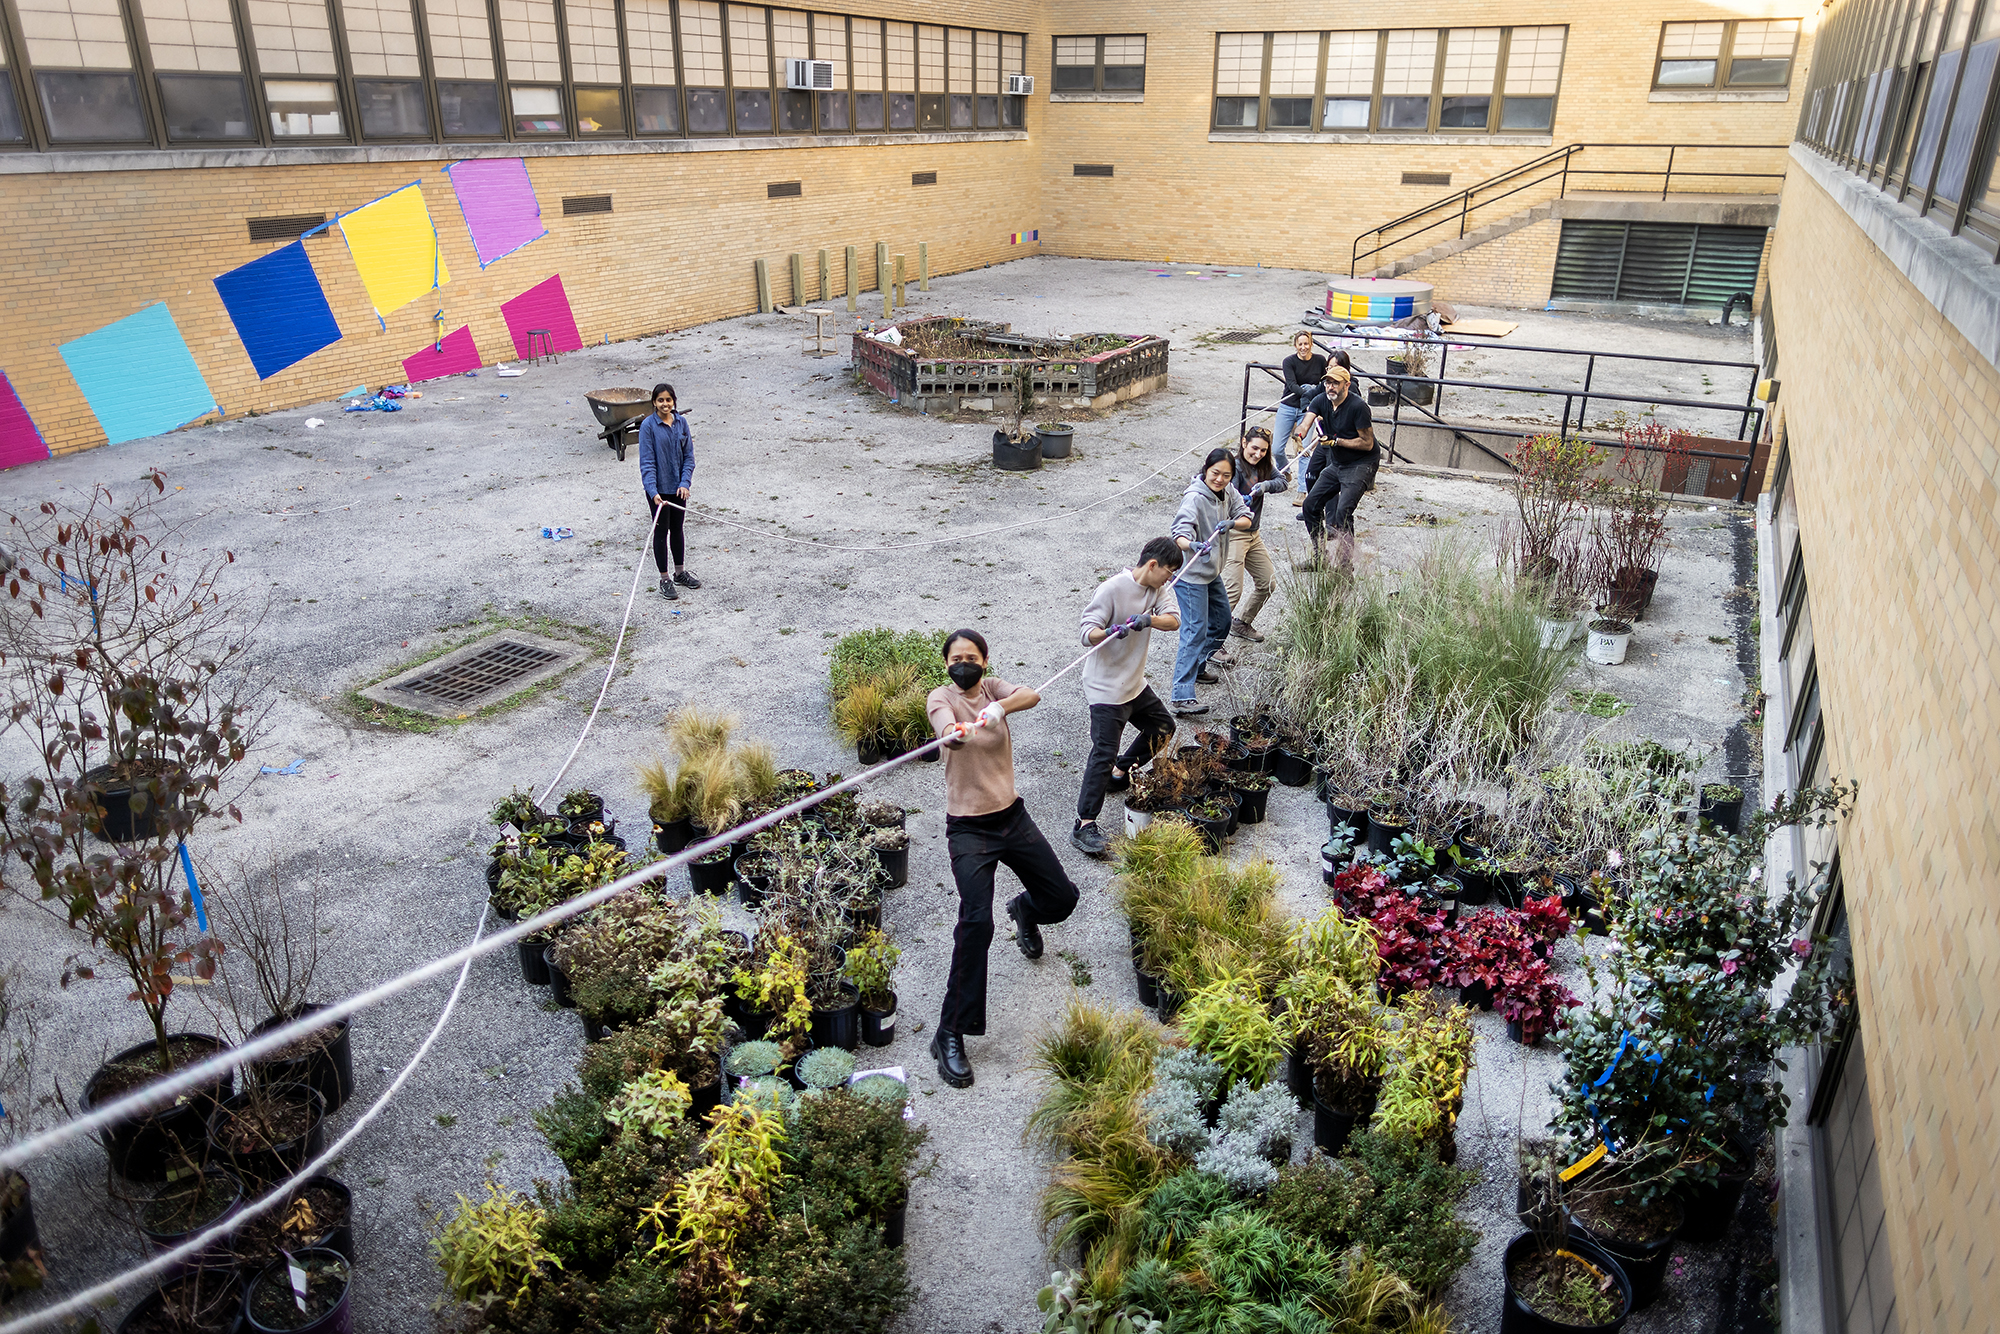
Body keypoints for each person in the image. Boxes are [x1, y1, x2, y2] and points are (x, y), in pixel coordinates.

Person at [926, 629, 1080, 1089]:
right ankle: (948, 1033)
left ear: (985, 662)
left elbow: (1030, 694)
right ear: (947, 664)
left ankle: (1025, 910)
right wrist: (952, 735)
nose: (963, 664)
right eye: (955, 658)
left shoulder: (994, 689)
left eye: (970, 657)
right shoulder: (942, 697)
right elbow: (942, 728)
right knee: (976, 923)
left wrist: (998, 708)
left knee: (1062, 899)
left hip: (1012, 819)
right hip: (969, 829)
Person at [1070, 537, 1185, 858]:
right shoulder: (1111, 589)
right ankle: (1084, 824)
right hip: (1105, 687)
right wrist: (1109, 631)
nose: (1171, 578)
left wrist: (1149, 620)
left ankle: (1119, 775)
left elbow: (1174, 621)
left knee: (1162, 727)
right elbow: (1086, 632)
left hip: (1133, 683)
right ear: (1152, 565)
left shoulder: (1160, 589)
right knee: (1102, 752)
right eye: (1168, 572)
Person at [1168, 449, 1254, 717]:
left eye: (1226, 475)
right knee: (1195, 629)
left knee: (1222, 621)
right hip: (1191, 574)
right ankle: (1182, 695)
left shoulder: (1229, 492)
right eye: (1215, 473)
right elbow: (1179, 532)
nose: (1219, 479)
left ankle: (1200, 665)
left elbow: (1245, 516)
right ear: (1205, 470)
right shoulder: (1194, 497)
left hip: (1211, 572)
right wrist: (1190, 545)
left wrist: (1232, 523)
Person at [1291, 366, 1377, 570]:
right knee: (1310, 506)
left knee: (1342, 511)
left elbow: (1367, 443)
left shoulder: (1358, 407)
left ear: (1347, 385)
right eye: (1328, 382)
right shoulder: (1321, 400)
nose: (1330, 387)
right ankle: (1320, 558)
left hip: (1361, 464)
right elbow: (1306, 422)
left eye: (1335, 383)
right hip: (1337, 463)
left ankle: (1346, 566)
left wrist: (1337, 441)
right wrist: (1299, 434)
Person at [1223, 428, 1288, 642]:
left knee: (1267, 582)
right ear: (1243, 443)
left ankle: (1241, 623)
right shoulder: (1232, 467)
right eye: (1254, 448)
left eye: (1263, 450)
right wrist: (1240, 500)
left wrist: (1265, 486)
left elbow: (1284, 482)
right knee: (1232, 591)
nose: (1258, 454)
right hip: (1235, 534)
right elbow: (1222, 498)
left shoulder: (1265, 465)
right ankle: (1212, 642)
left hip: (1254, 535)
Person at [638, 383, 699, 599]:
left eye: (669, 400)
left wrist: (685, 483)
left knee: (678, 528)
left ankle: (680, 573)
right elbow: (647, 462)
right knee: (661, 531)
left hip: (678, 489)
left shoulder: (682, 423)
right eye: (661, 400)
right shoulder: (648, 426)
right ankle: (664, 579)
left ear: (674, 401)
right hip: (658, 492)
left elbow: (689, 456)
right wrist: (653, 491)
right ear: (654, 403)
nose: (665, 404)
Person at [1272, 331, 1328, 484]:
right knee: (1276, 449)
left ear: (1311, 344)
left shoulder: (1320, 360)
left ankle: (1302, 489)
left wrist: (1315, 398)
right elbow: (1291, 385)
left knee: (1304, 449)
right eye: (1300, 344)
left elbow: (1324, 383)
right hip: (1288, 406)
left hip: (1308, 410)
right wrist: (1308, 391)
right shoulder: (1288, 361)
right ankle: (1285, 470)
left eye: (1306, 343)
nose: (1303, 347)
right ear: (1295, 345)